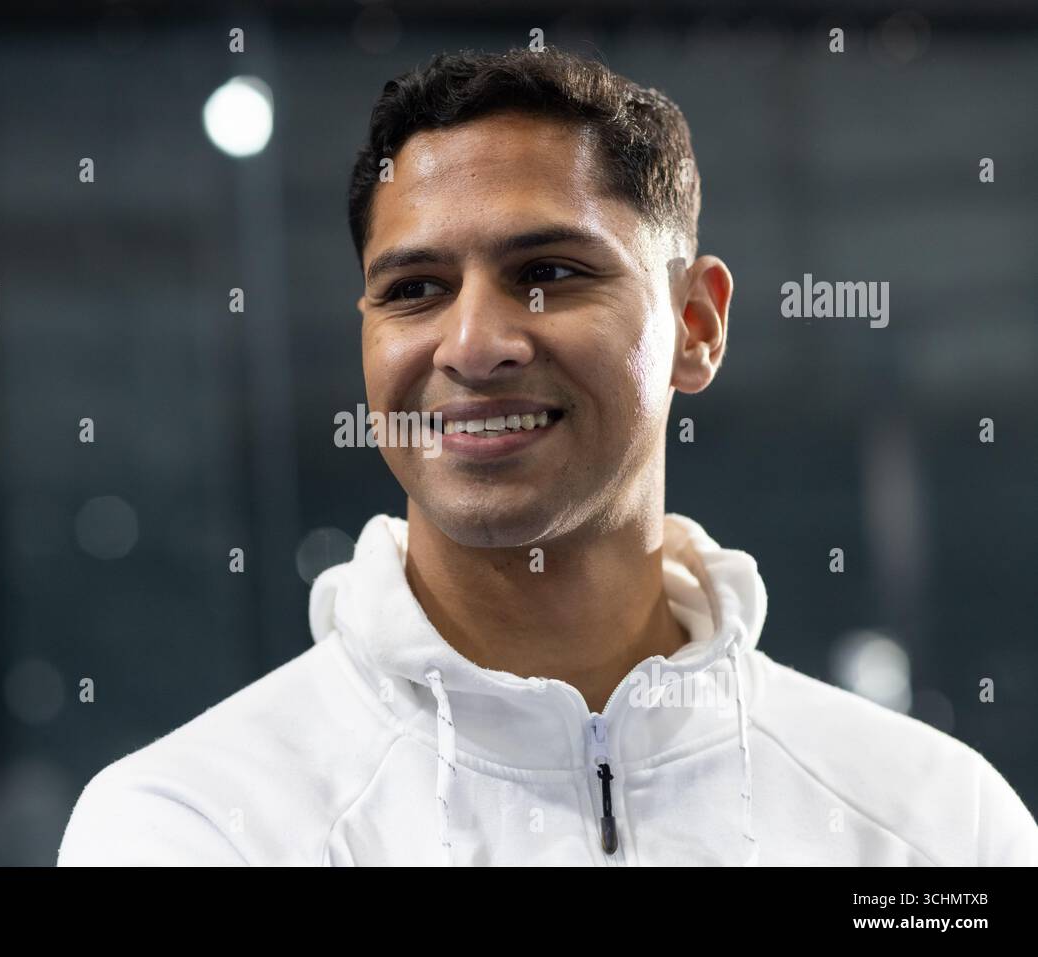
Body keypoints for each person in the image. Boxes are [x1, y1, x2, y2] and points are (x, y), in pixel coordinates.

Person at [58, 47, 1037, 865]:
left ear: (695, 323)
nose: (474, 344)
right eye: (414, 290)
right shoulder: (187, 827)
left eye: (549, 274)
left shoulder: (932, 828)